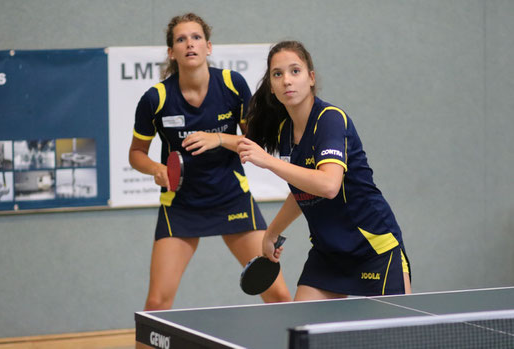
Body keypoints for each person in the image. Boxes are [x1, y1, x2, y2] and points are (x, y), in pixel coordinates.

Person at [129, 13, 291, 310]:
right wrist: (156, 168)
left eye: (196, 37)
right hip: (181, 206)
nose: (189, 44)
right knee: (156, 305)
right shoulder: (156, 99)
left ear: (208, 46)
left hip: (231, 199)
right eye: (181, 39)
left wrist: (219, 139)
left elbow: (255, 144)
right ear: (171, 52)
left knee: (279, 295)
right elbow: (136, 153)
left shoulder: (232, 85)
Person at [237, 41, 411, 301]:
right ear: (272, 87)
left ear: (311, 78)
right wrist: (272, 232)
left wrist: (269, 162)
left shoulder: (329, 119)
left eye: (295, 71)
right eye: (278, 74)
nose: (286, 80)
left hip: (372, 248)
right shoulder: (285, 133)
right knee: (302, 333)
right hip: (328, 253)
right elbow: (303, 191)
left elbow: (329, 185)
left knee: (396, 336)